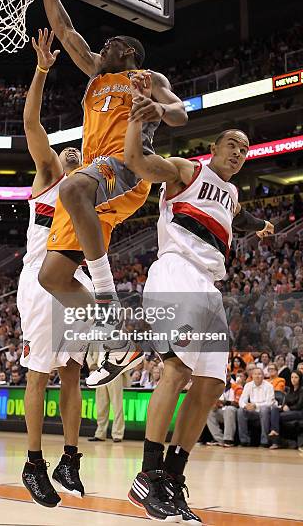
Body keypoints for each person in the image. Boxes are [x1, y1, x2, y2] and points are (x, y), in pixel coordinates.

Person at [95, 82, 274, 523]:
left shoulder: (231, 196)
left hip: (210, 287)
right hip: (177, 272)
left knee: (211, 383)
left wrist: (263, 225)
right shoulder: (186, 172)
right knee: (176, 369)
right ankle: (148, 476)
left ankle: (173, 476)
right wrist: (138, 118)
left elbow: (241, 218)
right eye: (232, 144)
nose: (239, 152)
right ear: (213, 147)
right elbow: (136, 161)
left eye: (245, 149)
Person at [38, 0, 187, 377]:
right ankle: (118, 342)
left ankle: (107, 302)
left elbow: (180, 113)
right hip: (93, 179)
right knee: (51, 276)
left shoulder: (145, 76)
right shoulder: (94, 74)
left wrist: (159, 107)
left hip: (126, 167)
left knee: (69, 187)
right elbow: (64, 29)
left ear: (128, 51)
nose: (102, 48)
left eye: (109, 45)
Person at [17, 29, 93, 507]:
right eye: (69, 151)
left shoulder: (88, 199)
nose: (73, 154)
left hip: (72, 282)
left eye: (79, 156)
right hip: (40, 281)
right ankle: (33, 463)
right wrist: (43, 70)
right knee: (39, 373)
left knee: (72, 373)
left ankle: (69, 456)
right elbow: (31, 125)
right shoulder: (48, 177)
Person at [87, 349, 125, 443]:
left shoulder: (118, 336)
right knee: (101, 405)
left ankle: (117, 434)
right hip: (99, 372)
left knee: (117, 405)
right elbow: (88, 351)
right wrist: (92, 365)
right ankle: (100, 434)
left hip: (115, 371)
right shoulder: (97, 336)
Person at [238, 368, 275, 447]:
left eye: (259, 374)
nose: (257, 376)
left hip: (265, 412)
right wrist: (246, 406)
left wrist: (255, 405)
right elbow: (241, 400)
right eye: (255, 374)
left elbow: (270, 403)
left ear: (263, 376)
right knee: (240, 411)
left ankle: (264, 441)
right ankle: (244, 440)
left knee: (264, 409)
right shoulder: (248, 385)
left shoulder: (269, 386)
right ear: (252, 376)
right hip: (252, 412)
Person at [268, 370, 303, 450]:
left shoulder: (302, 390)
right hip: (289, 412)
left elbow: (299, 405)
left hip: (299, 412)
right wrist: (282, 408)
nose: (293, 379)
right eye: (292, 377)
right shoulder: (289, 390)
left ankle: (274, 433)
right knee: (274, 409)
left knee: (275, 417)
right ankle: (275, 432)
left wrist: (289, 408)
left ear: (300, 379)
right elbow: (285, 403)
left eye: (296, 377)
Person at [206, 371, 241, 447]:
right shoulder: (217, 388)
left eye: (227, 376)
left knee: (229, 409)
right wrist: (214, 405)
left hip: (235, 412)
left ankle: (228, 439)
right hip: (222, 411)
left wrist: (224, 403)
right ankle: (219, 439)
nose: (225, 378)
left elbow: (238, 403)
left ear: (229, 377)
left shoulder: (237, 387)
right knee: (209, 411)